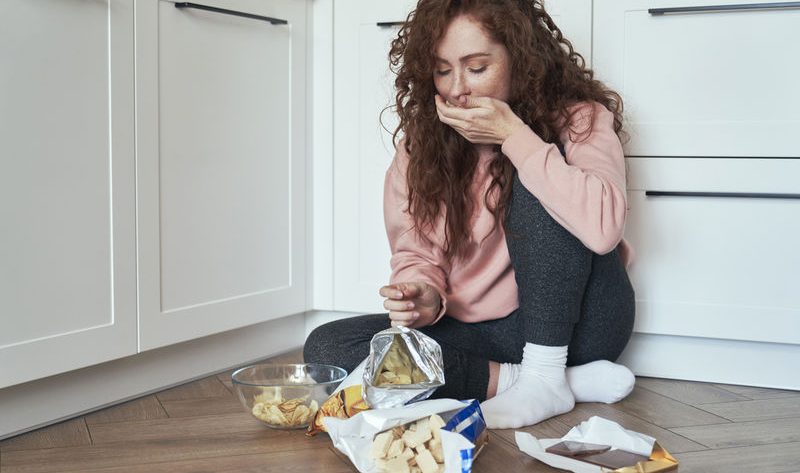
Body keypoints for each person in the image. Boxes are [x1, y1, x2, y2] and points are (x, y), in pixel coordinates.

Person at [304, 0, 636, 429]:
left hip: (580, 324)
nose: (457, 88)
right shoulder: (419, 148)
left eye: (477, 68)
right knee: (328, 347)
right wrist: (424, 293)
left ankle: (546, 369)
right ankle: (538, 382)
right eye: (443, 70)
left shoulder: (580, 119)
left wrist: (517, 137)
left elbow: (603, 229)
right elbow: (415, 248)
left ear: (523, 61)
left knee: (542, 180)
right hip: (483, 336)